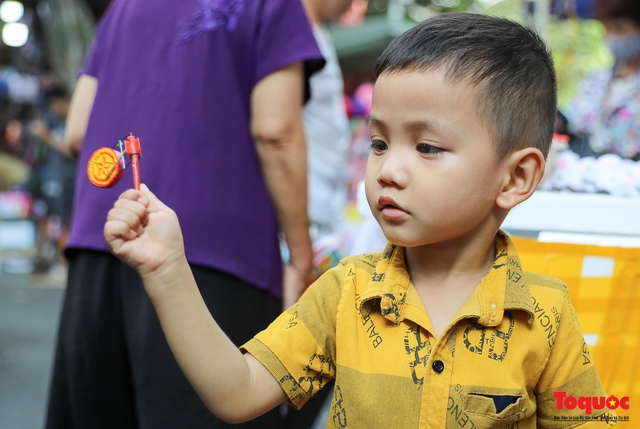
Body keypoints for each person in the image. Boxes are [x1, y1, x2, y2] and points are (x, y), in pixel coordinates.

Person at [104, 13, 616, 428]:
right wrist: (168, 270)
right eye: (378, 143)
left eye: (427, 147)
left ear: (515, 178)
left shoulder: (546, 317)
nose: (388, 170)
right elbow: (237, 391)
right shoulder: (344, 292)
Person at [45, 0, 324, 428]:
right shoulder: (273, 4)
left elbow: (77, 130)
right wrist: (302, 259)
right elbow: (276, 132)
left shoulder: (125, 6)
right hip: (217, 256)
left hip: (102, 243)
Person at [562, 0, 640, 160]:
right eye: (606, 28)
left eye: (619, 28)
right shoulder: (596, 79)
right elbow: (571, 124)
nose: (611, 37)